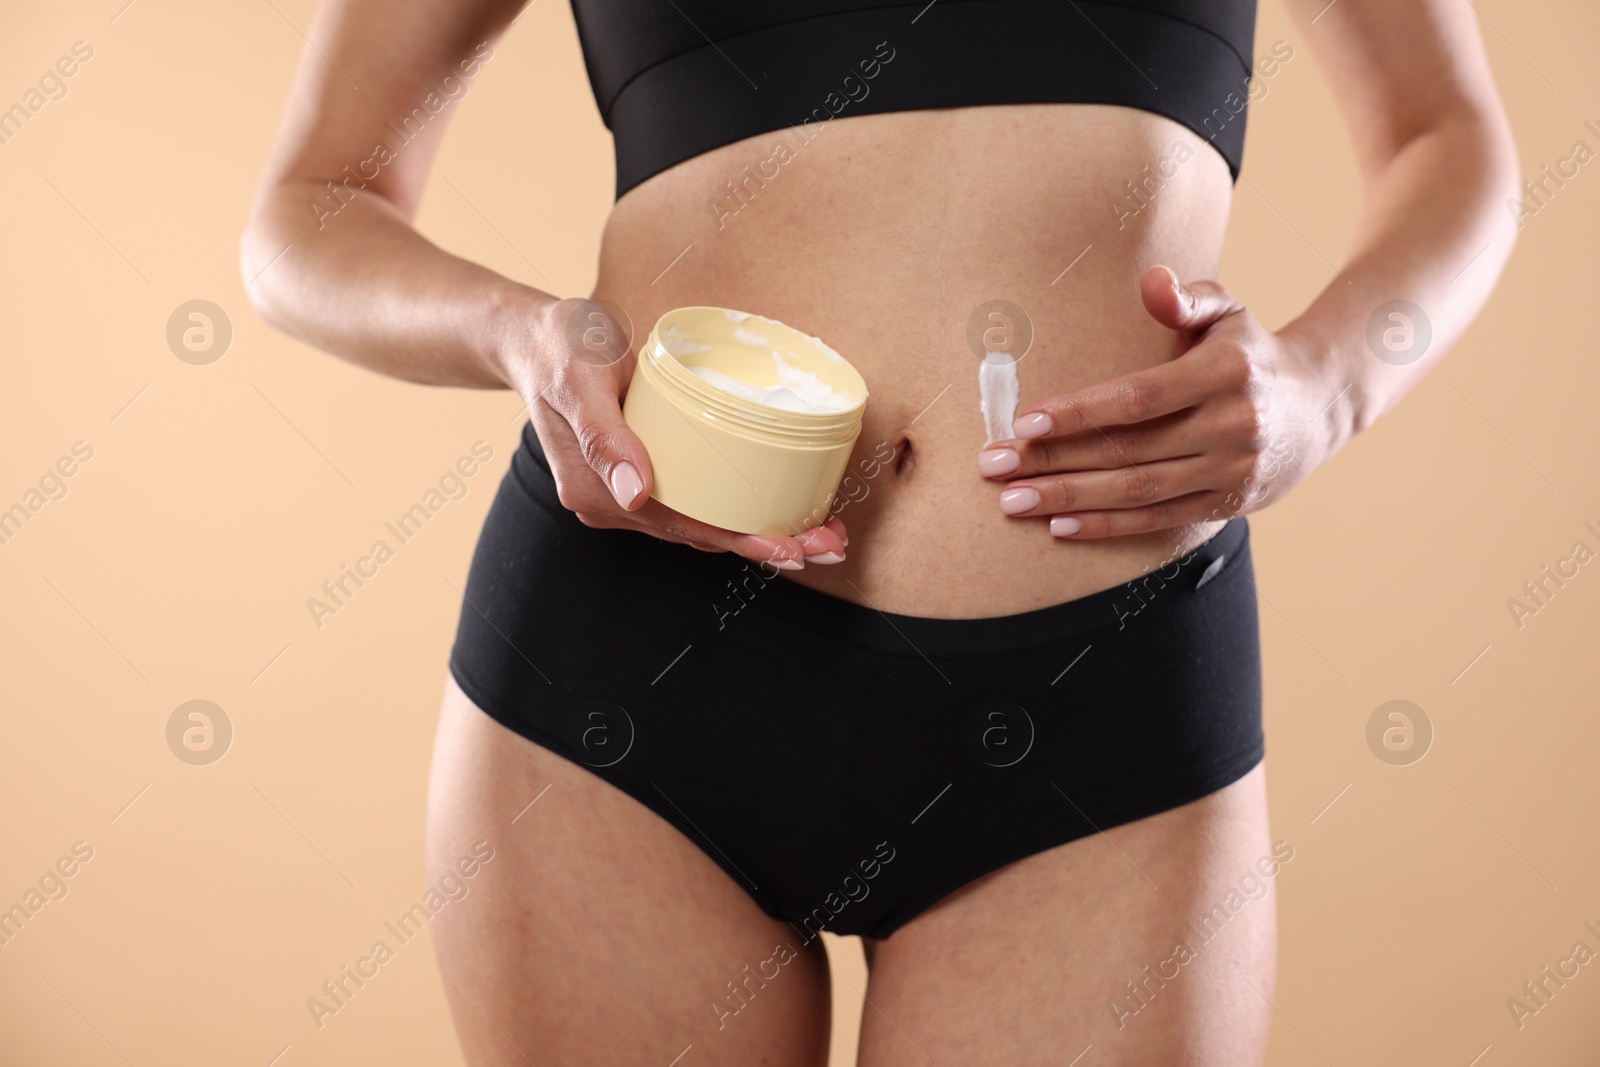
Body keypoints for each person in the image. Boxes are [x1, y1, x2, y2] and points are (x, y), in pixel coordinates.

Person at [241, 1, 1517, 1062]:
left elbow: (1443, 132)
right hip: (634, 674)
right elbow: (305, 212)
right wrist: (516, 334)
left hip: (1100, 697)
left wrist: (1327, 392)